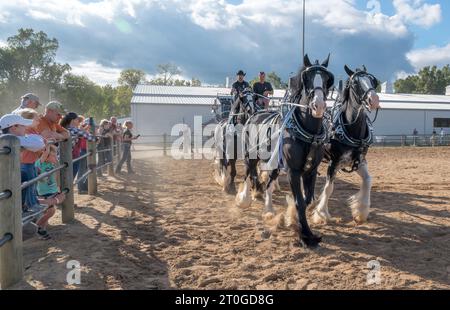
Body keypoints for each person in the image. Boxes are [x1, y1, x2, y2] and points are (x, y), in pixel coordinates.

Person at [0, 114, 45, 213]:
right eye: (22, 125)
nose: (25, 128)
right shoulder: (11, 139)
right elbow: (39, 144)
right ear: (13, 127)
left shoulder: (7, 138)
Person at [35, 144, 66, 240]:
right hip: (44, 192)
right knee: (51, 211)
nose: (55, 157)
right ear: (45, 155)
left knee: (48, 212)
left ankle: (42, 229)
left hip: (53, 190)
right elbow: (44, 155)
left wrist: (58, 187)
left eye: (56, 154)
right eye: (53, 155)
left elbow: (56, 176)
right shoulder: (40, 164)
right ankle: (36, 228)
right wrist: (47, 145)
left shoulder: (52, 164)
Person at [60, 112, 96, 180]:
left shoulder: (63, 128)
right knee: (70, 178)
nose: (78, 121)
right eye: (77, 119)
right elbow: (92, 138)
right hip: (70, 156)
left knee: (62, 178)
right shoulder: (74, 129)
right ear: (73, 120)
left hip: (61, 156)